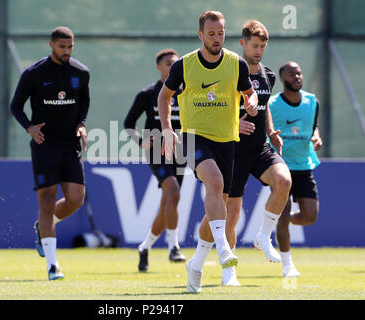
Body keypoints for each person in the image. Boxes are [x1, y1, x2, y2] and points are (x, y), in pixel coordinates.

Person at [158, 11, 259, 292]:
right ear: (201, 35)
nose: (217, 38)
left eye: (221, 33)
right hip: (193, 137)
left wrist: (250, 102)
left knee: (218, 203)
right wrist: (167, 128)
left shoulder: (236, 63)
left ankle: (197, 264)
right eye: (211, 34)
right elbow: (164, 96)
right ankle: (224, 248)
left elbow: (249, 93)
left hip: (227, 139)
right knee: (214, 182)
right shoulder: (184, 65)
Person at [10, 26, 89, 281]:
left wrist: (81, 124)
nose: (66, 51)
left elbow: (84, 101)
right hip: (45, 144)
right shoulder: (34, 74)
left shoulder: (81, 72)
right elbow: (15, 106)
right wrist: (29, 128)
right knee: (46, 201)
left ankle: (41, 227)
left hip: (70, 145)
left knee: (76, 199)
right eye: (62, 47)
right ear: (51, 45)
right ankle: (53, 267)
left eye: (70, 47)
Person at [224, 20, 292, 285]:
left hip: (260, 148)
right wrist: (233, 123)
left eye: (262, 46)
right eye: (254, 46)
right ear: (242, 43)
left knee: (284, 181)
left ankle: (264, 236)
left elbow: (265, 107)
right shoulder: (229, 72)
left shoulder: (268, 74)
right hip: (232, 151)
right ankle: (228, 271)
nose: (258, 51)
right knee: (231, 215)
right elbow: (218, 107)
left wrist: (272, 131)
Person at [124, 48, 186, 272]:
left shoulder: (186, 92)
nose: (173, 67)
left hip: (180, 152)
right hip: (156, 151)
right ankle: (174, 247)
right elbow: (128, 123)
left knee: (167, 204)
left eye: (176, 63)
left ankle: (145, 247)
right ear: (159, 67)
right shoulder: (148, 93)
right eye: (168, 63)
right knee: (174, 192)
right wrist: (141, 141)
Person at [270, 61, 322, 278]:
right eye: (291, 74)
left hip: (304, 164)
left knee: (311, 216)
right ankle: (287, 264)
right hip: (280, 166)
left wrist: (317, 136)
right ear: (282, 79)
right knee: (282, 216)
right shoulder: (272, 104)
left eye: (299, 73)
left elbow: (313, 125)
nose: (297, 77)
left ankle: (280, 219)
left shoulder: (312, 101)